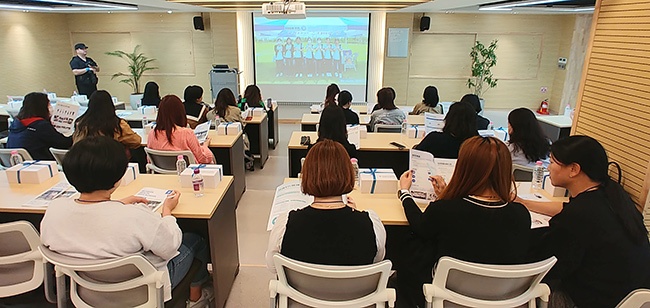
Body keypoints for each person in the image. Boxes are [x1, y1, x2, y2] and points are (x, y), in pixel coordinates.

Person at [40, 136, 213, 307]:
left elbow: (90, 220)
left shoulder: (55, 211)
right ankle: (196, 298)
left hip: (85, 291)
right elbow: (170, 246)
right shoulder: (134, 216)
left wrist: (117, 204)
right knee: (195, 240)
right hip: (144, 290)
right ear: (118, 177)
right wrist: (167, 212)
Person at [396, 136, 532, 307]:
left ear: (464, 168)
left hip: (447, 294)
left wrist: (404, 193)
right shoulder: (520, 214)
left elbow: (420, 226)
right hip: (500, 297)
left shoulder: (446, 210)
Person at [519, 136, 650, 308]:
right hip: (632, 299)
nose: (548, 168)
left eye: (552, 162)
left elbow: (549, 264)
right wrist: (525, 203)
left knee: (523, 290)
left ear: (573, 169)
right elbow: (567, 209)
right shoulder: (613, 198)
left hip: (593, 301)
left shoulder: (579, 215)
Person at [266, 139, 386, 274]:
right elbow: (376, 260)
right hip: (354, 295)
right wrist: (357, 215)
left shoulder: (285, 223)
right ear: (348, 174)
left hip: (300, 294)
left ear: (307, 176)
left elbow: (273, 266)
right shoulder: (371, 224)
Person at [148, 95, 215, 164]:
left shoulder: (152, 134)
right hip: (187, 173)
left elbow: (149, 160)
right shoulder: (186, 133)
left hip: (160, 173)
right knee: (212, 160)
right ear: (180, 112)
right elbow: (203, 159)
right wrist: (205, 146)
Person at [73, 90, 141, 155]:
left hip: (85, 162)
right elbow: (136, 141)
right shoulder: (117, 125)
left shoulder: (81, 124)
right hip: (111, 162)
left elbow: (76, 145)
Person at [7, 92, 72, 160]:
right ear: (42, 107)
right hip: (41, 164)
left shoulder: (15, 124)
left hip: (18, 166)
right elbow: (64, 143)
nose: (51, 107)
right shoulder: (40, 125)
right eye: (49, 104)